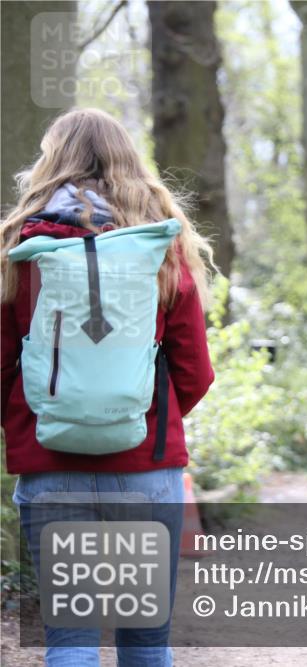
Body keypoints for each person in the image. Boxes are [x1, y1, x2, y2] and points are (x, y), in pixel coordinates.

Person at [0, 108, 215, 667]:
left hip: (50, 468)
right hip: (145, 471)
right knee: (145, 641)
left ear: (52, 161)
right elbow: (194, 372)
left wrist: (34, 423)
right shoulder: (160, 250)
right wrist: (142, 418)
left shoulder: (21, 251)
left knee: (70, 641)